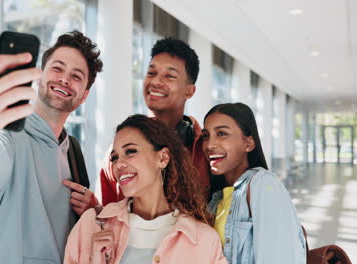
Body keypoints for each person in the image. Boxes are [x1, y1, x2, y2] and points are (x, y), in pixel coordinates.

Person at [0, 30, 102, 263]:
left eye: (76, 76)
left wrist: (92, 212)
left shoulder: (73, 152)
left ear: (84, 96)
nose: (64, 79)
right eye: (57, 68)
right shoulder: (9, 137)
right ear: (39, 76)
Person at [64, 114, 227, 264]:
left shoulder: (203, 240)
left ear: (163, 158)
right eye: (114, 158)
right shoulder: (91, 225)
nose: (118, 164)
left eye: (130, 151)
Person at [91, 37, 212, 207]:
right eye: (151, 73)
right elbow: (106, 212)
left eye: (169, 76)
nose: (155, 82)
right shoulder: (118, 151)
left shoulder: (205, 149)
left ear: (189, 91)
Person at [202, 103, 306, 263]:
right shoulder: (217, 199)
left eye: (221, 133)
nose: (209, 145)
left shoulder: (262, 183)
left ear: (248, 144)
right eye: (206, 136)